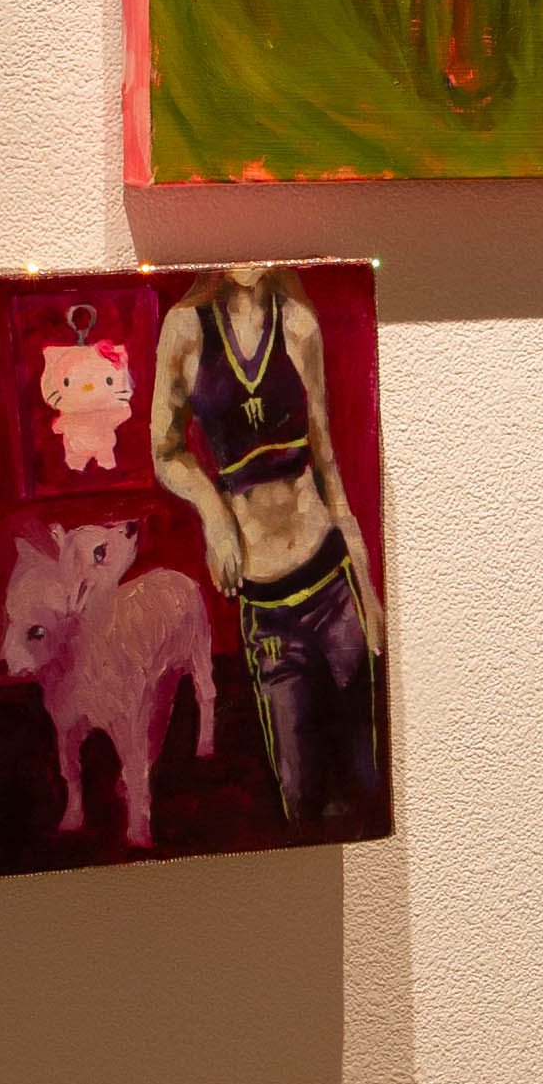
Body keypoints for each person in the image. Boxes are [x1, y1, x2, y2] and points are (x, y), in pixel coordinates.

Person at [147, 264, 386, 833]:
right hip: (266, 602)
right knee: (301, 796)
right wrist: (215, 516)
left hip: (333, 586)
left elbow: (325, 459)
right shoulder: (185, 328)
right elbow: (165, 451)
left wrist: (367, 589)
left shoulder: (299, 322)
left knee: (367, 779)